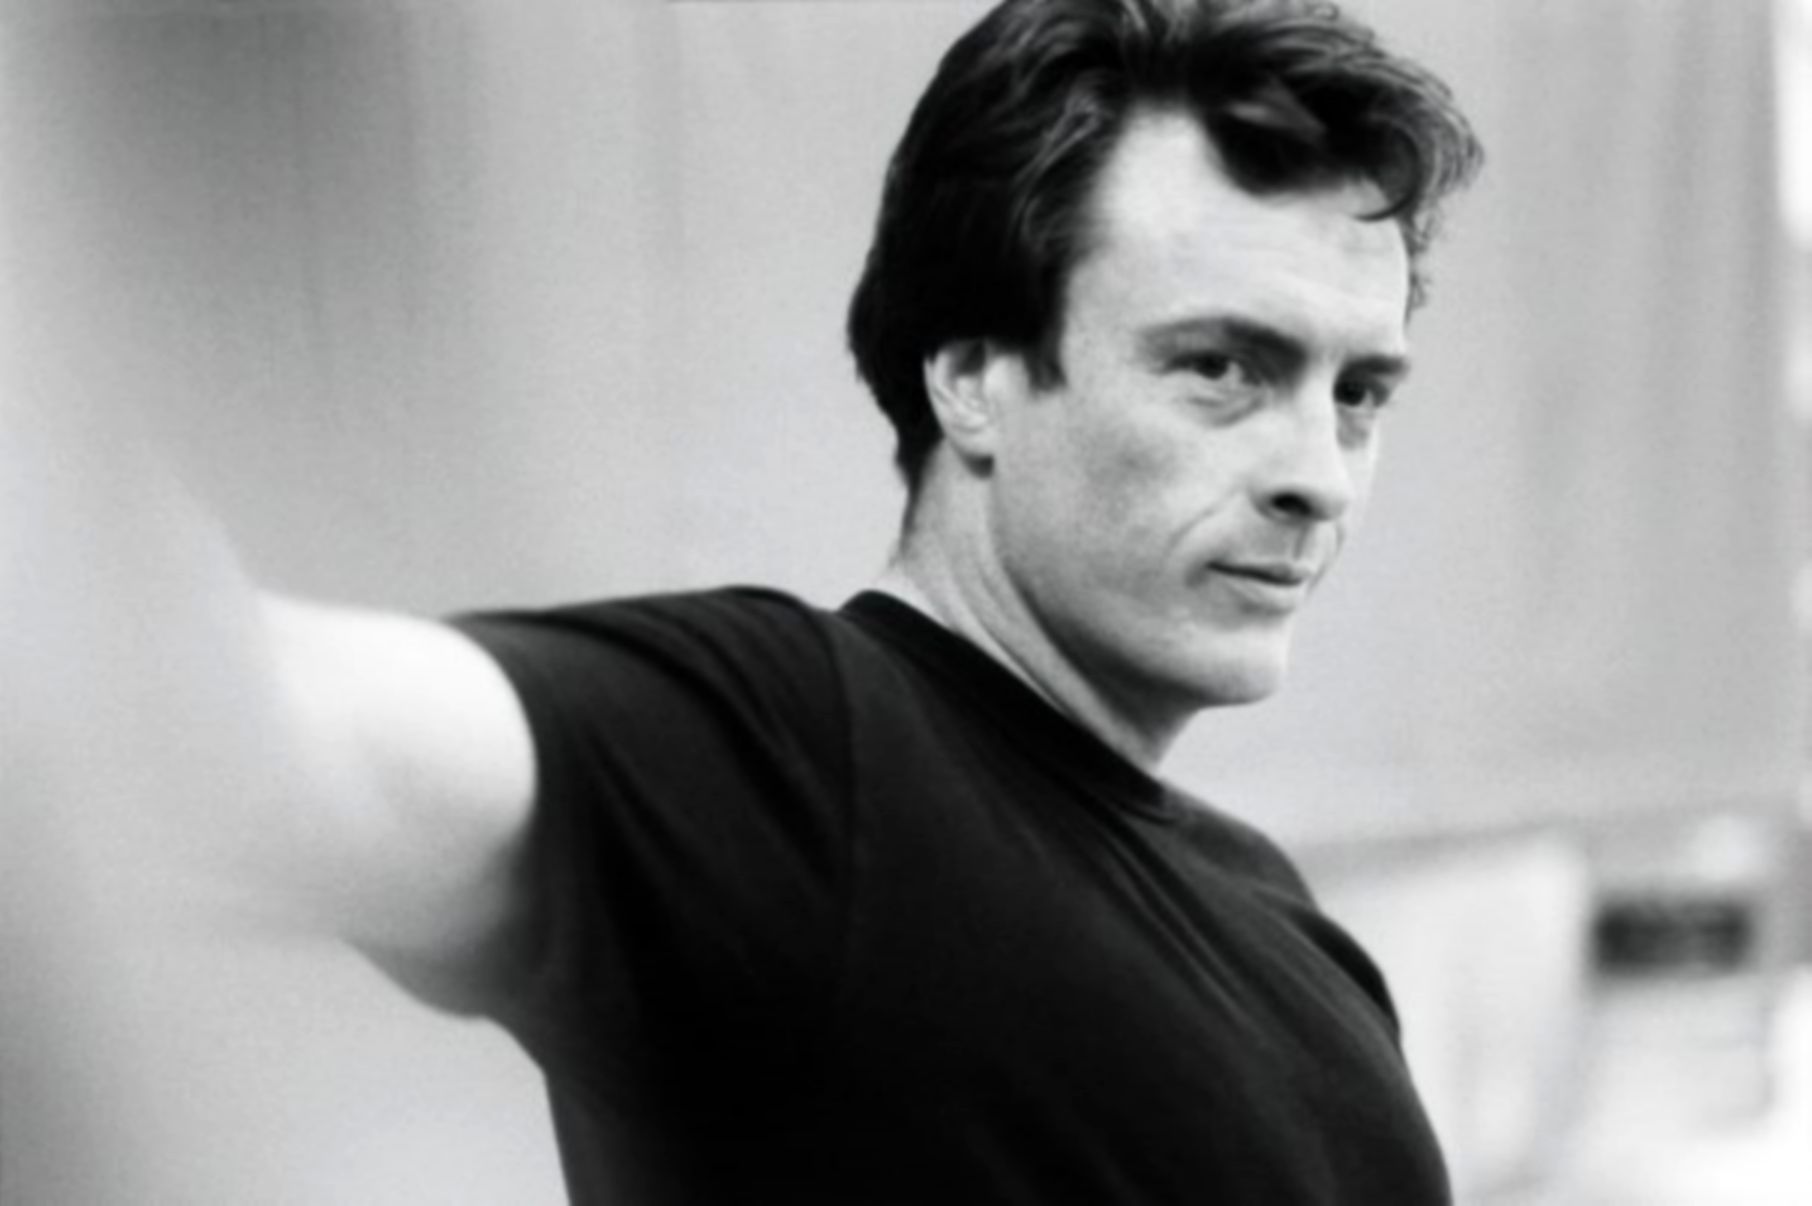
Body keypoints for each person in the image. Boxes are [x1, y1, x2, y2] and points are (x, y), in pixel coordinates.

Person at [10, 0, 1482, 1201]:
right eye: (1221, 367)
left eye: (1358, 392)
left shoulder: (1279, 919)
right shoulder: (799, 762)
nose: (1319, 476)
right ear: (973, 377)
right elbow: (217, 718)